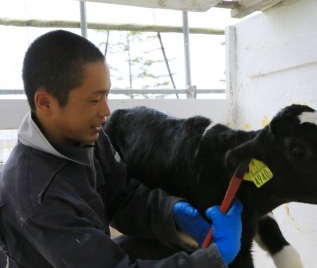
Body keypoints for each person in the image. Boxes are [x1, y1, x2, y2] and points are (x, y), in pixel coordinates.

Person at [0, 30, 242, 267]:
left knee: (171, 245)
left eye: (107, 95)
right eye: (94, 100)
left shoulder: (85, 136)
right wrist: (214, 259)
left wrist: (171, 213)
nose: (105, 111)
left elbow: (121, 195)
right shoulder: (37, 197)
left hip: (87, 252)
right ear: (46, 102)